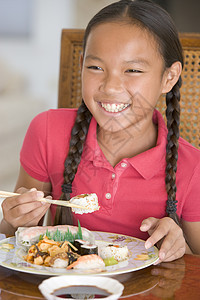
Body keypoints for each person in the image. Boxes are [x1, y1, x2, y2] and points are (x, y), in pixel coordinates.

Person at [1, 0, 200, 263]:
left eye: (133, 70)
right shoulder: (47, 131)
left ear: (169, 77)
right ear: (82, 64)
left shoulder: (192, 167)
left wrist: (180, 247)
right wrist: (13, 221)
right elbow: (15, 242)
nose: (111, 86)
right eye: (96, 67)